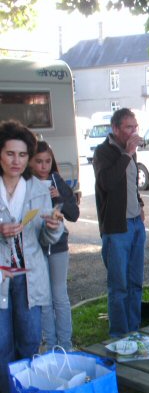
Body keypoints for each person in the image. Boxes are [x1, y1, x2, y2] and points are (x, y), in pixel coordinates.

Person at [0, 120, 64, 393]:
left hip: (29, 280)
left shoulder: (39, 189)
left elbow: (45, 238)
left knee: (28, 346)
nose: (16, 161)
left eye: (22, 155)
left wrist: (54, 228)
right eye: (10, 153)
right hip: (0, 281)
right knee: (1, 348)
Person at [93, 108, 146, 337]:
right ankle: (120, 335)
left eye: (135, 127)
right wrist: (127, 154)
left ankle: (134, 331)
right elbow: (107, 183)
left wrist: (140, 203)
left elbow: (131, 183)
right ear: (115, 129)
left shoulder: (130, 152)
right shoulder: (104, 152)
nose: (133, 131)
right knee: (119, 286)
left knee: (135, 283)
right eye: (128, 127)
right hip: (116, 228)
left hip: (135, 224)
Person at [30, 141, 80, 350]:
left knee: (60, 296)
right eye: (39, 161)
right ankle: (50, 346)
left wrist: (58, 197)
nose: (43, 166)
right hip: (36, 248)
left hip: (58, 247)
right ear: (30, 162)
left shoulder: (56, 180)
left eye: (47, 161)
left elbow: (74, 213)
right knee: (45, 300)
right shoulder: (26, 184)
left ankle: (66, 345)